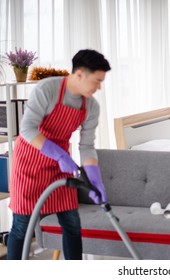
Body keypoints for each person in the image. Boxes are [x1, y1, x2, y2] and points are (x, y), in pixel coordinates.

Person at [7, 49, 111, 260]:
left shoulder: (91, 106)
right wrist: (60, 156)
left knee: (71, 223)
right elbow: (27, 129)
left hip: (59, 168)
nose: (99, 87)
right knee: (22, 225)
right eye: (97, 81)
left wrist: (95, 179)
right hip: (30, 162)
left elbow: (87, 146)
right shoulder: (48, 89)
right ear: (80, 74)